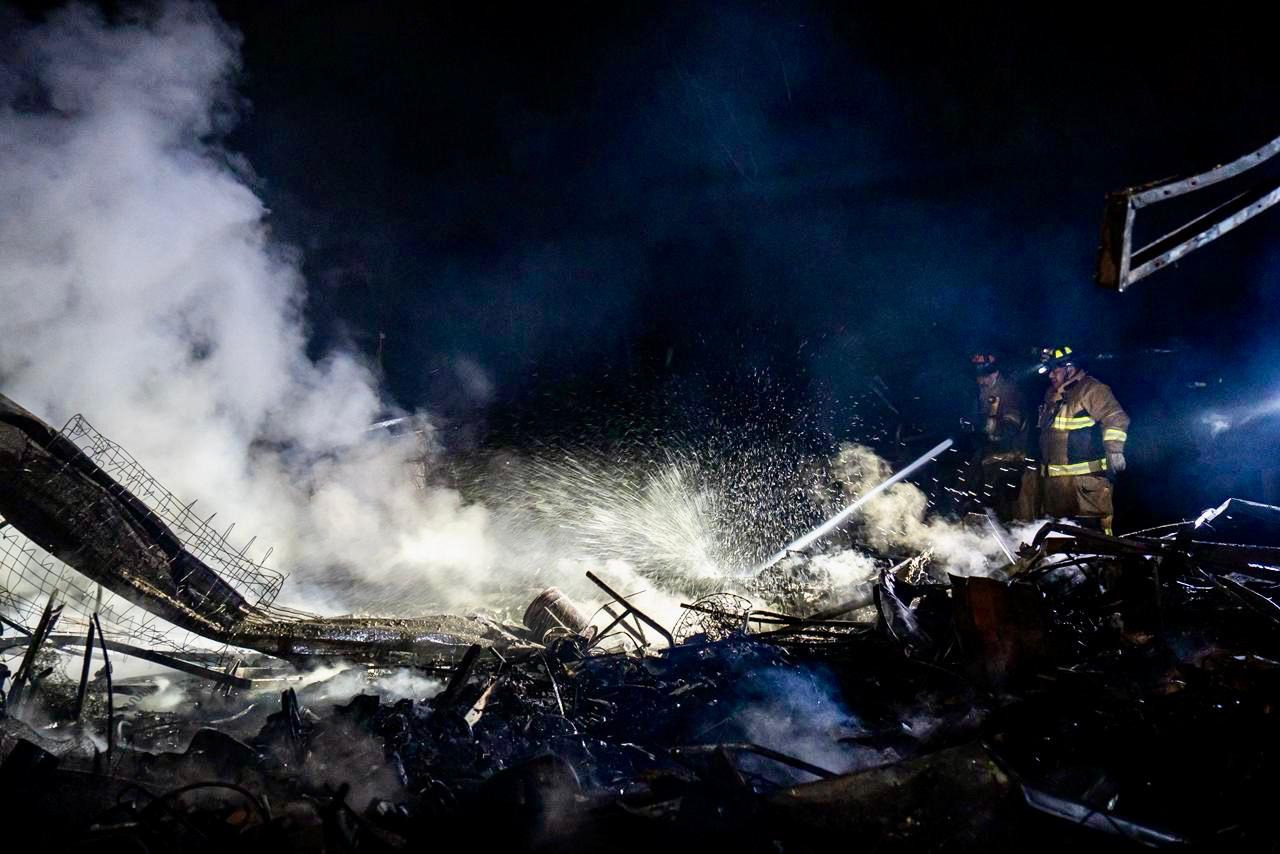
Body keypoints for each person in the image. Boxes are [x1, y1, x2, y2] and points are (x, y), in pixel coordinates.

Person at [1036, 346, 1130, 535]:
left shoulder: (1092, 389)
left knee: (1094, 541)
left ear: (1070, 369)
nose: (1050, 375)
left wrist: (1114, 450)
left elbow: (1116, 417)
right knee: (1060, 542)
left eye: (1055, 370)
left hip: (1086, 488)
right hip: (1056, 489)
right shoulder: (1051, 395)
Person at [968, 353, 1032, 521]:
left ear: (994, 373)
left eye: (982, 377)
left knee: (1002, 511)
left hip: (1008, 464)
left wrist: (986, 433)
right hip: (989, 463)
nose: (979, 381)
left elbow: (1008, 430)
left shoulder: (1009, 393)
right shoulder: (982, 394)